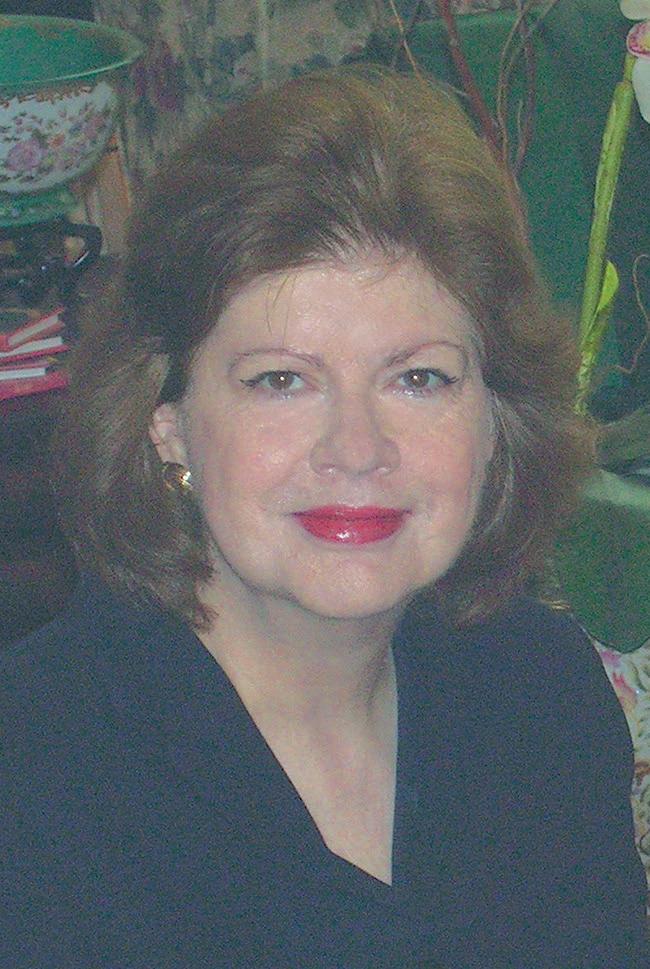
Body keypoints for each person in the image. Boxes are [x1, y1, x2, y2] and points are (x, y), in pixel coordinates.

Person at [0, 66, 647, 968]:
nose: (356, 447)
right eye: (281, 380)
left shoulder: (542, 692)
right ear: (166, 417)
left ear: (497, 418)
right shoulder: (32, 767)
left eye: (418, 377)